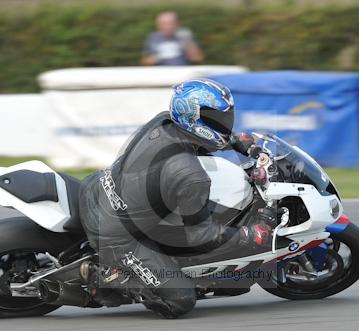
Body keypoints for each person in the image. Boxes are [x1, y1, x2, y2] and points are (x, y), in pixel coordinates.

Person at [79, 79, 272, 318]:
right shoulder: (191, 176)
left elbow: (197, 138)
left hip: (95, 188)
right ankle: (108, 275)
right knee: (181, 300)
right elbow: (201, 235)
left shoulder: (163, 121)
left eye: (225, 118)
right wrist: (248, 235)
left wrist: (234, 142)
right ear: (193, 116)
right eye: (216, 119)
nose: (225, 123)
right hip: (117, 237)